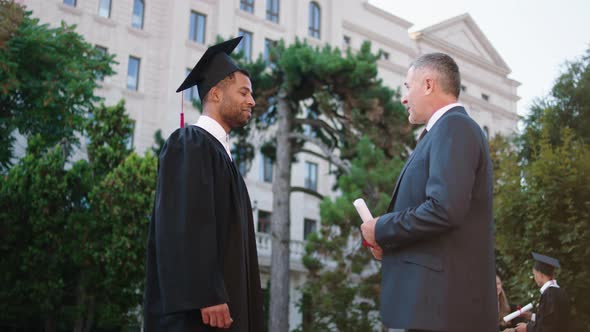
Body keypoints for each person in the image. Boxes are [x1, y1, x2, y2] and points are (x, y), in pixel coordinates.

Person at [360, 52, 497, 332]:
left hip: (444, 311)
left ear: (428, 84)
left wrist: (382, 228)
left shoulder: (454, 127)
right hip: (436, 309)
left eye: (407, 86)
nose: (403, 98)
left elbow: (444, 209)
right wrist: (392, 244)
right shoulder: (443, 132)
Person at [143, 37, 264, 331]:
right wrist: (207, 293)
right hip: (199, 315)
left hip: (226, 313)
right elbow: (185, 221)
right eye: (244, 92)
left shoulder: (224, 158)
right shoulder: (190, 143)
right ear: (215, 94)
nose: (252, 101)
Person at [513, 253, 570, 332]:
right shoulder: (559, 291)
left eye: (534, 275)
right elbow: (549, 319)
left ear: (540, 274)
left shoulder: (549, 294)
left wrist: (527, 328)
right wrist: (531, 316)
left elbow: (548, 327)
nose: (534, 278)